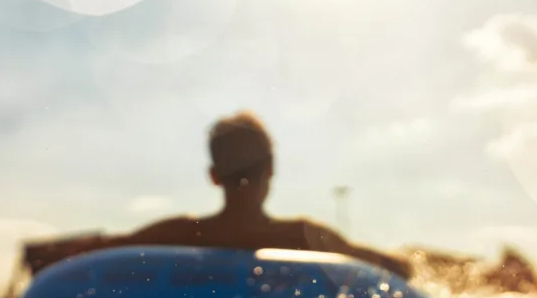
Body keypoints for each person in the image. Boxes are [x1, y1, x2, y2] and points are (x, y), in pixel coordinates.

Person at [65, 111, 412, 279]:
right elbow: (396, 270)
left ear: (214, 176)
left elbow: (101, 251)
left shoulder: (180, 234)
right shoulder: (303, 236)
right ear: (271, 170)